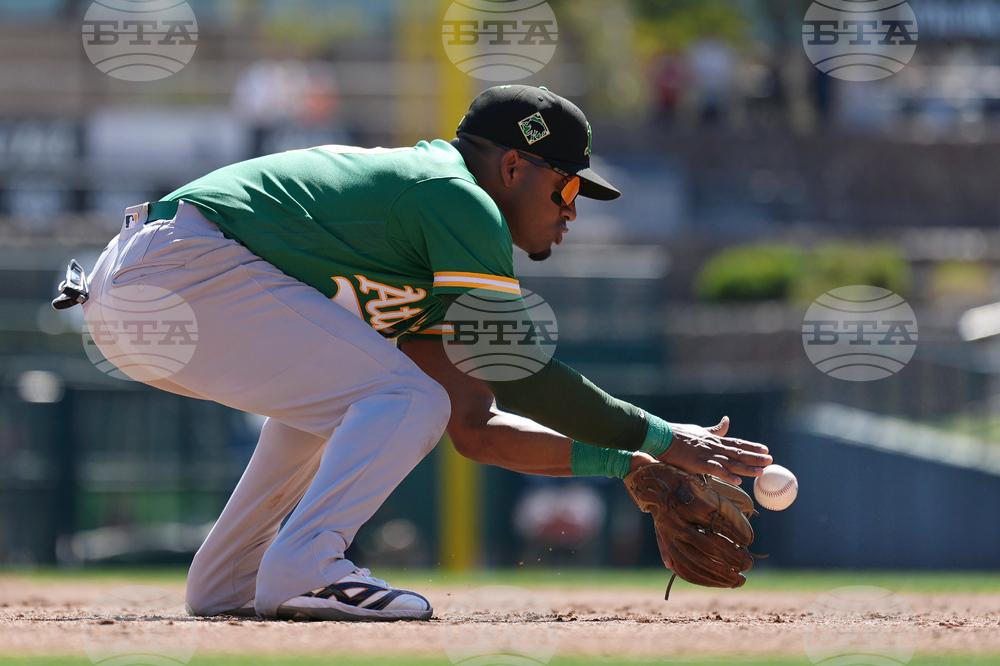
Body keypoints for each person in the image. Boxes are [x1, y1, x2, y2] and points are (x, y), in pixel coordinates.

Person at [74, 85, 771, 622]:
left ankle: (230, 579)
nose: (572, 210)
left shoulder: (434, 254)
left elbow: (472, 425)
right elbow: (515, 370)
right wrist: (660, 433)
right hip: (176, 272)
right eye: (565, 185)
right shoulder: (456, 197)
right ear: (512, 165)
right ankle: (308, 567)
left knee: (361, 398)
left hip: (150, 289)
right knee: (402, 396)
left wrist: (632, 462)